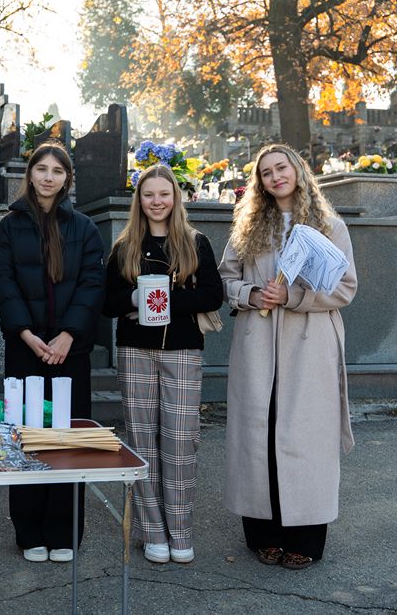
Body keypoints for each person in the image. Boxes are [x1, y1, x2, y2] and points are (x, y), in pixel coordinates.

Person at [218, 143, 357, 570]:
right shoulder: (248, 227)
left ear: (298, 170)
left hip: (309, 341)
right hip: (257, 340)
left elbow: (345, 286)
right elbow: (227, 276)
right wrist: (254, 292)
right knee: (260, 430)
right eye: (266, 173)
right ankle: (262, 532)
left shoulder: (329, 225)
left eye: (282, 167)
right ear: (259, 182)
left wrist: (294, 295)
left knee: (303, 436)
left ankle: (306, 537)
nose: (276, 177)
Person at [0, 141, 105, 563]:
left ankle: (64, 531)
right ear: (31, 174)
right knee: (27, 440)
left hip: (70, 352)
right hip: (26, 350)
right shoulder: (9, 227)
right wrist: (25, 333)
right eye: (42, 168)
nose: (49, 177)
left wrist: (68, 336)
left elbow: (93, 285)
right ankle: (29, 530)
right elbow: (3, 283)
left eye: (58, 170)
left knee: (67, 439)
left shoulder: (85, 229)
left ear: (66, 178)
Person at [103, 164, 223, 565]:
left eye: (164, 194)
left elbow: (213, 294)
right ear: (140, 200)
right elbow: (107, 301)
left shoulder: (195, 242)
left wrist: (168, 302)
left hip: (184, 351)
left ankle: (180, 530)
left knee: (180, 443)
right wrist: (135, 300)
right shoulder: (124, 246)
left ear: (176, 198)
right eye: (149, 195)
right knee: (141, 442)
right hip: (136, 351)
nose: (157, 202)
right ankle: (152, 530)